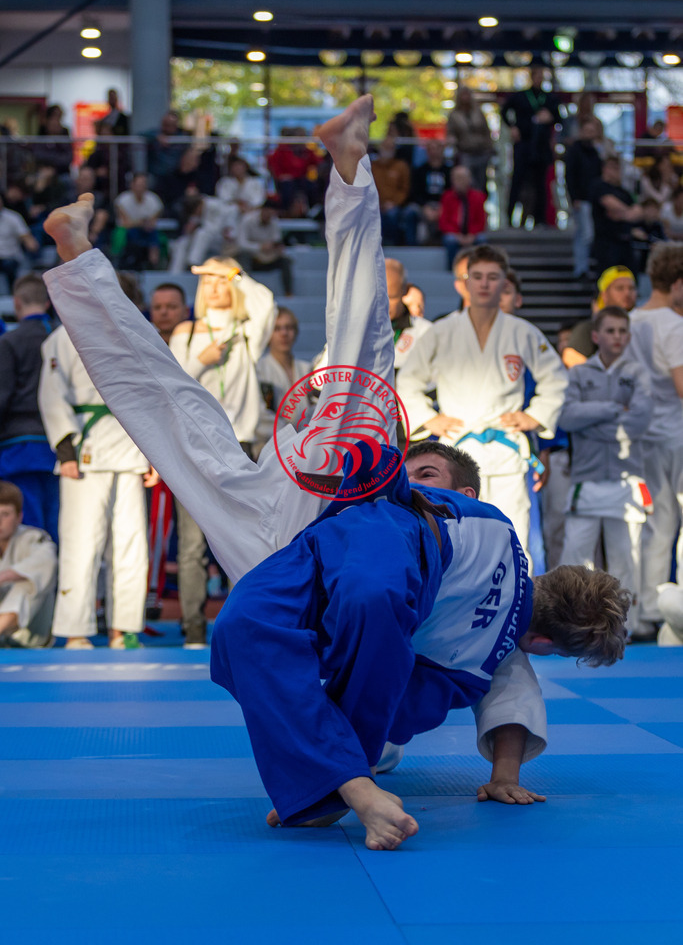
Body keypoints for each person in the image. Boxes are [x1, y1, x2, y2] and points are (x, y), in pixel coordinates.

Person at [42, 96, 555, 802]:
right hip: (334, 499)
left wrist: (502, 775)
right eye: (417, 467)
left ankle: (77, 257)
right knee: (358, 344)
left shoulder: (485, 583)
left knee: (162, 413)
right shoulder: (406, 502)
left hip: (273, 553)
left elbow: (509, 679)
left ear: (461, 498)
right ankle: (348, 167)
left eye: (430, 474)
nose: (417, 477)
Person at [210, 438, 629, 848]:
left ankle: (342, 782)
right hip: (386, 554)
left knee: (240, 628)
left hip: (338, 541)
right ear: (542, 644)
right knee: (375, 610)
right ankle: (343, 783)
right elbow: (425, 708)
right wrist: (503, 776)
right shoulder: (479, 666)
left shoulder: (497, 525)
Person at [397, 244, 568, 561]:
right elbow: (408, 381)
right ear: (465, 283)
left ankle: (517, 594)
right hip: (457, 447)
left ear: (504, 282)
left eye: (493, 277)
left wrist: (534, 416)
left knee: (513, 538)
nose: (485, 284)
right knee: (457, 537)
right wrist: (429, 418)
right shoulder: (441, 332)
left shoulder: (522, 332)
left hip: (505, 448)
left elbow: (556, 378)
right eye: (477, 276)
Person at [168, 258, 276, 645]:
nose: (215, 287)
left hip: (239, 444)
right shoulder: (187, 332)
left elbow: (266, 302)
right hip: (195, 446)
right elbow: (171, 385)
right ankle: (194, 628)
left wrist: (235, 272)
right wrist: (201, 361)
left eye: (222, 281)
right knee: (192, 543)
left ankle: (240, 624)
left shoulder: (248, 330)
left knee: (242, 537)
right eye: (209, 281)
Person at [37, 288, 150, 650]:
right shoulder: (62, 338)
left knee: (132, 544)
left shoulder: (132, 334)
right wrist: (65, 450)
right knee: (82, 542)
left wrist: (154, 454)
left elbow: (151, 397)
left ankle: (123, 628)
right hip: (85, 449)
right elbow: (51, 395)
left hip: (130, 447)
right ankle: (76, 630)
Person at [559, 307, 652, 600]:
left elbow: (638, 423)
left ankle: (627, 623)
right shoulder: (579, 374)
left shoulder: (638, 373)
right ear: (596, 336)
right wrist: (612, 409)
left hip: (627, 480)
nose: (617, 337)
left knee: (626, 561)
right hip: (586, 480)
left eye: (622, 331)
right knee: (575, 560)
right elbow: (567, 418)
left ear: (629, 336)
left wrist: (589, 425)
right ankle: (570, 619)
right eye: (610, 331)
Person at [624, 243, 683, 640]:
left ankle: (646, 608)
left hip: (638, 435)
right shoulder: (674, 325)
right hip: (674, 434)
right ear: (677, 283)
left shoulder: (629, 320)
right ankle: (667, 605)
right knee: (669, 522)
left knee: (651, 523)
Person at [0, 275, 58, 542]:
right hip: (59, 443)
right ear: (47, 303)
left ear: (17, 303)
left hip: (18, 445)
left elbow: (2, 396)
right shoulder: (63, 338)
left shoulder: (9, 342)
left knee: (28, 523)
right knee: (59, 518)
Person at [502, 65, 561, 227]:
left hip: (541, 146)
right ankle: (509, 217)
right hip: (523, 144)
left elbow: (559, 117)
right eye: (537, 76)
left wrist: (550, 118)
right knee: (517, 180)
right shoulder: (520, 96)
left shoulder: (548, 98)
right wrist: (513, 127)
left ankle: (539, 219)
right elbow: (504, 111)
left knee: (540, 183)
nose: (539, 79)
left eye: (542, 76)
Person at [0, 480, 57, 647]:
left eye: (5, 514)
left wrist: (5, 576)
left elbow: (47, 561)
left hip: (31, 634)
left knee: (27, 583)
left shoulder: (34, 538)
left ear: (19, 517)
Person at [562, 266, 637, 368]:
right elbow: (572, 363)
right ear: (604, 295)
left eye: (631, 288)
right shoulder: (587, 329)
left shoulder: (643, 324)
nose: (627, 293)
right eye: (620, 288)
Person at [564, 117, 603, 279]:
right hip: (581, 199)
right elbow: (570, 176)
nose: (589, 134)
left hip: (593, 198)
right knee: (585, 234)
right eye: (587, 131)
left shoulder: (595, 151)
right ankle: (581, 267)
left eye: (592, 131)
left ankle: (583, 266)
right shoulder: (574, 151)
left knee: (585, 233)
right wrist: (574, 197)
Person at [590, 156, 642, 272]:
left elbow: (638, 211)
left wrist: (622, 214)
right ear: (605, 168)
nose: (616, 171)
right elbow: (611, 204)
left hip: (625, 241)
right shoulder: (599, 186)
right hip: (606, 242)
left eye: (618, 168)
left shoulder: (623, 191)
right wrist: (628, 213)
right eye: (613, 168)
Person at [236, 198, 294, 297]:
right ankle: (246, 290)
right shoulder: (248, 220)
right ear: (262, 211)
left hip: (268, 257)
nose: (269, 216)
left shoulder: (274, 222)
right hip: (252, 257)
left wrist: (277, 248)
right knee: (243, 256)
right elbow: (241, 244)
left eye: (271, 215)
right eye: (267, 213)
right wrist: (259, 247)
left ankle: (288, 292)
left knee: (286, 261)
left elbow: (277, 241)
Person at [438, 165, 488, 270]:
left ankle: (480, 269)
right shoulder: (447, 197)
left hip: (472, 234)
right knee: (450, 240)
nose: (460, 181)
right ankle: (453, 270)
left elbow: (481, 221)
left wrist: (471, 235)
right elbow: (443, 222)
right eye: (457, 178)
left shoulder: (478, 197)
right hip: (454, 234)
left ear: (469, 180)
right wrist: (458, 236)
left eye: (463, 178)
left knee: (482, 239)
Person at [447, 87, 493, 192]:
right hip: (465, 152)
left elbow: (486, 131)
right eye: (463, 95)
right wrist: (452, 141)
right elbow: (451, 133)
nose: (465, 98)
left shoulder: (478, 112)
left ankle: (480, 200)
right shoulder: (454, 115)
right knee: (468, 181)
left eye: (467, 94)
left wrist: (490, 148)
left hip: (482, 151)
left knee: (482, 181)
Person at [113, 173, 164, 268]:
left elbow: (153, 221)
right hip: (129, 231)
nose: (141, 187)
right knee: (130, 234)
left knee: (153, 234)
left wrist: (144, 224)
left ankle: (154, 264)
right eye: (139, 185)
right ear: (132, 185)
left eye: (143, 184)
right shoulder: (122, 200)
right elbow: (125, 223)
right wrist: (140, 223)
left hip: (147, 230)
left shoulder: (153, 199)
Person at [0, 194, 40, 292]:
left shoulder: (13, 217)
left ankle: (13, 293)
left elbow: (25, 236)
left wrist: (31, 243)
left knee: (8, 265)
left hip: (10, 257)